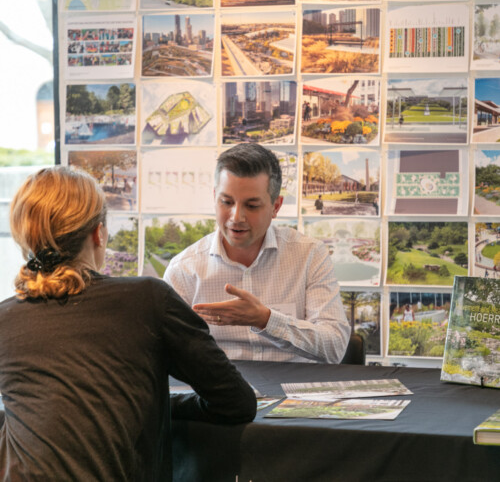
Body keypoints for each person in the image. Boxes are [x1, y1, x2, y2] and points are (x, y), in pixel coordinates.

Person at [0, 166, 256, 480]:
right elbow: (237, 402)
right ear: (98, 233)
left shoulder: (5, 319)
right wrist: (161, 405)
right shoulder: (149, 299)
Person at [164, 143, 350, 363]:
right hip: (222, 392)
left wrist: (266, 320)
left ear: (276, 207)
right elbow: (164, 354)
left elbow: (335, 347)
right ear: (215, 197)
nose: (236, 217)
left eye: (251, 206)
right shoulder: (184, 270)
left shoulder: (309, 255)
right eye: (226, 202)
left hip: (295, 390)